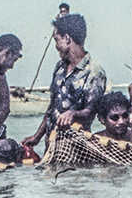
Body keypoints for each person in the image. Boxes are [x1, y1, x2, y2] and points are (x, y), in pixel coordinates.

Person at [21, 13, 107, 149]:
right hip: (51, 147)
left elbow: (92, 110)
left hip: (77, 148)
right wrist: (37, 136)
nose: (56, 46)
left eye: (56, 40)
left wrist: (73, 113)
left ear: (67, 39)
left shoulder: (94, 72)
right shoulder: (59, 67)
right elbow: (52, 107)